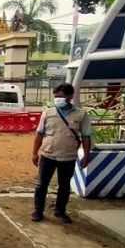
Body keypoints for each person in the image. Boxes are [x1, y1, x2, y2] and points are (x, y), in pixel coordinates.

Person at [31, 83, 92, 224]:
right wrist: (34, 153)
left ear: (70, 97)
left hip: (68, 156)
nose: (57, 99)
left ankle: (60, 210)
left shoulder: (81, 114)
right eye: (55, 96)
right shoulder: (48, 113)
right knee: (41, 185)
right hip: (48, 155)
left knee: (64, 186)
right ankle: (38, 211)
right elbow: (39, 134)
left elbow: (86, 137)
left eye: (60, 96)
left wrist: (87, 156)